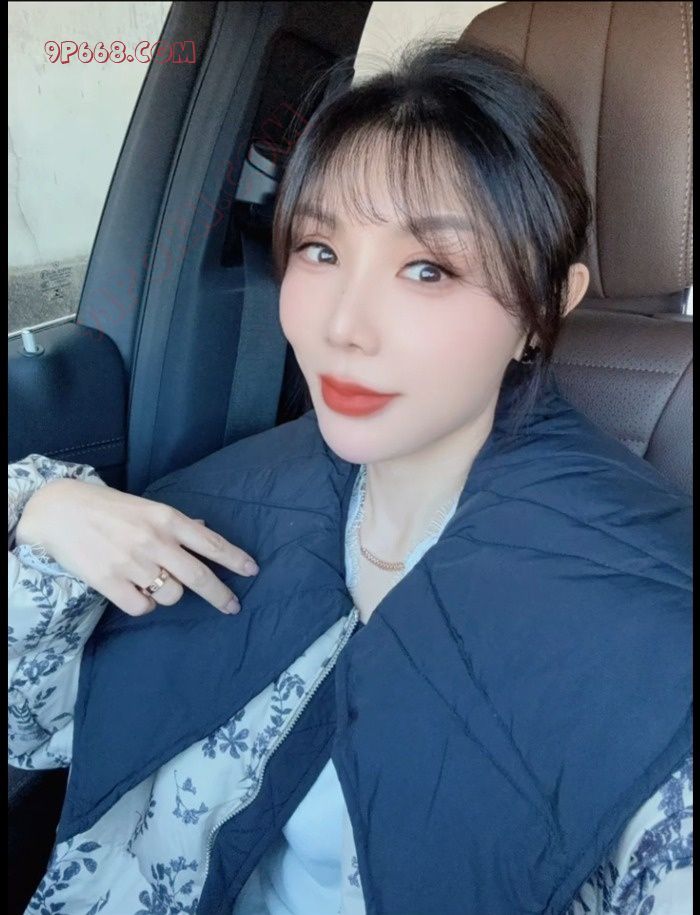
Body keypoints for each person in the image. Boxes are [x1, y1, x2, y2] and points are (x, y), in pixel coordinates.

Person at [8, 38, 691, 915]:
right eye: (321, 250)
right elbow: (34, 725)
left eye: (428, 269)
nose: (343, 326)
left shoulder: (653, 633)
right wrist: (41, 510)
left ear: (546, 306)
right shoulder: (232, 496)